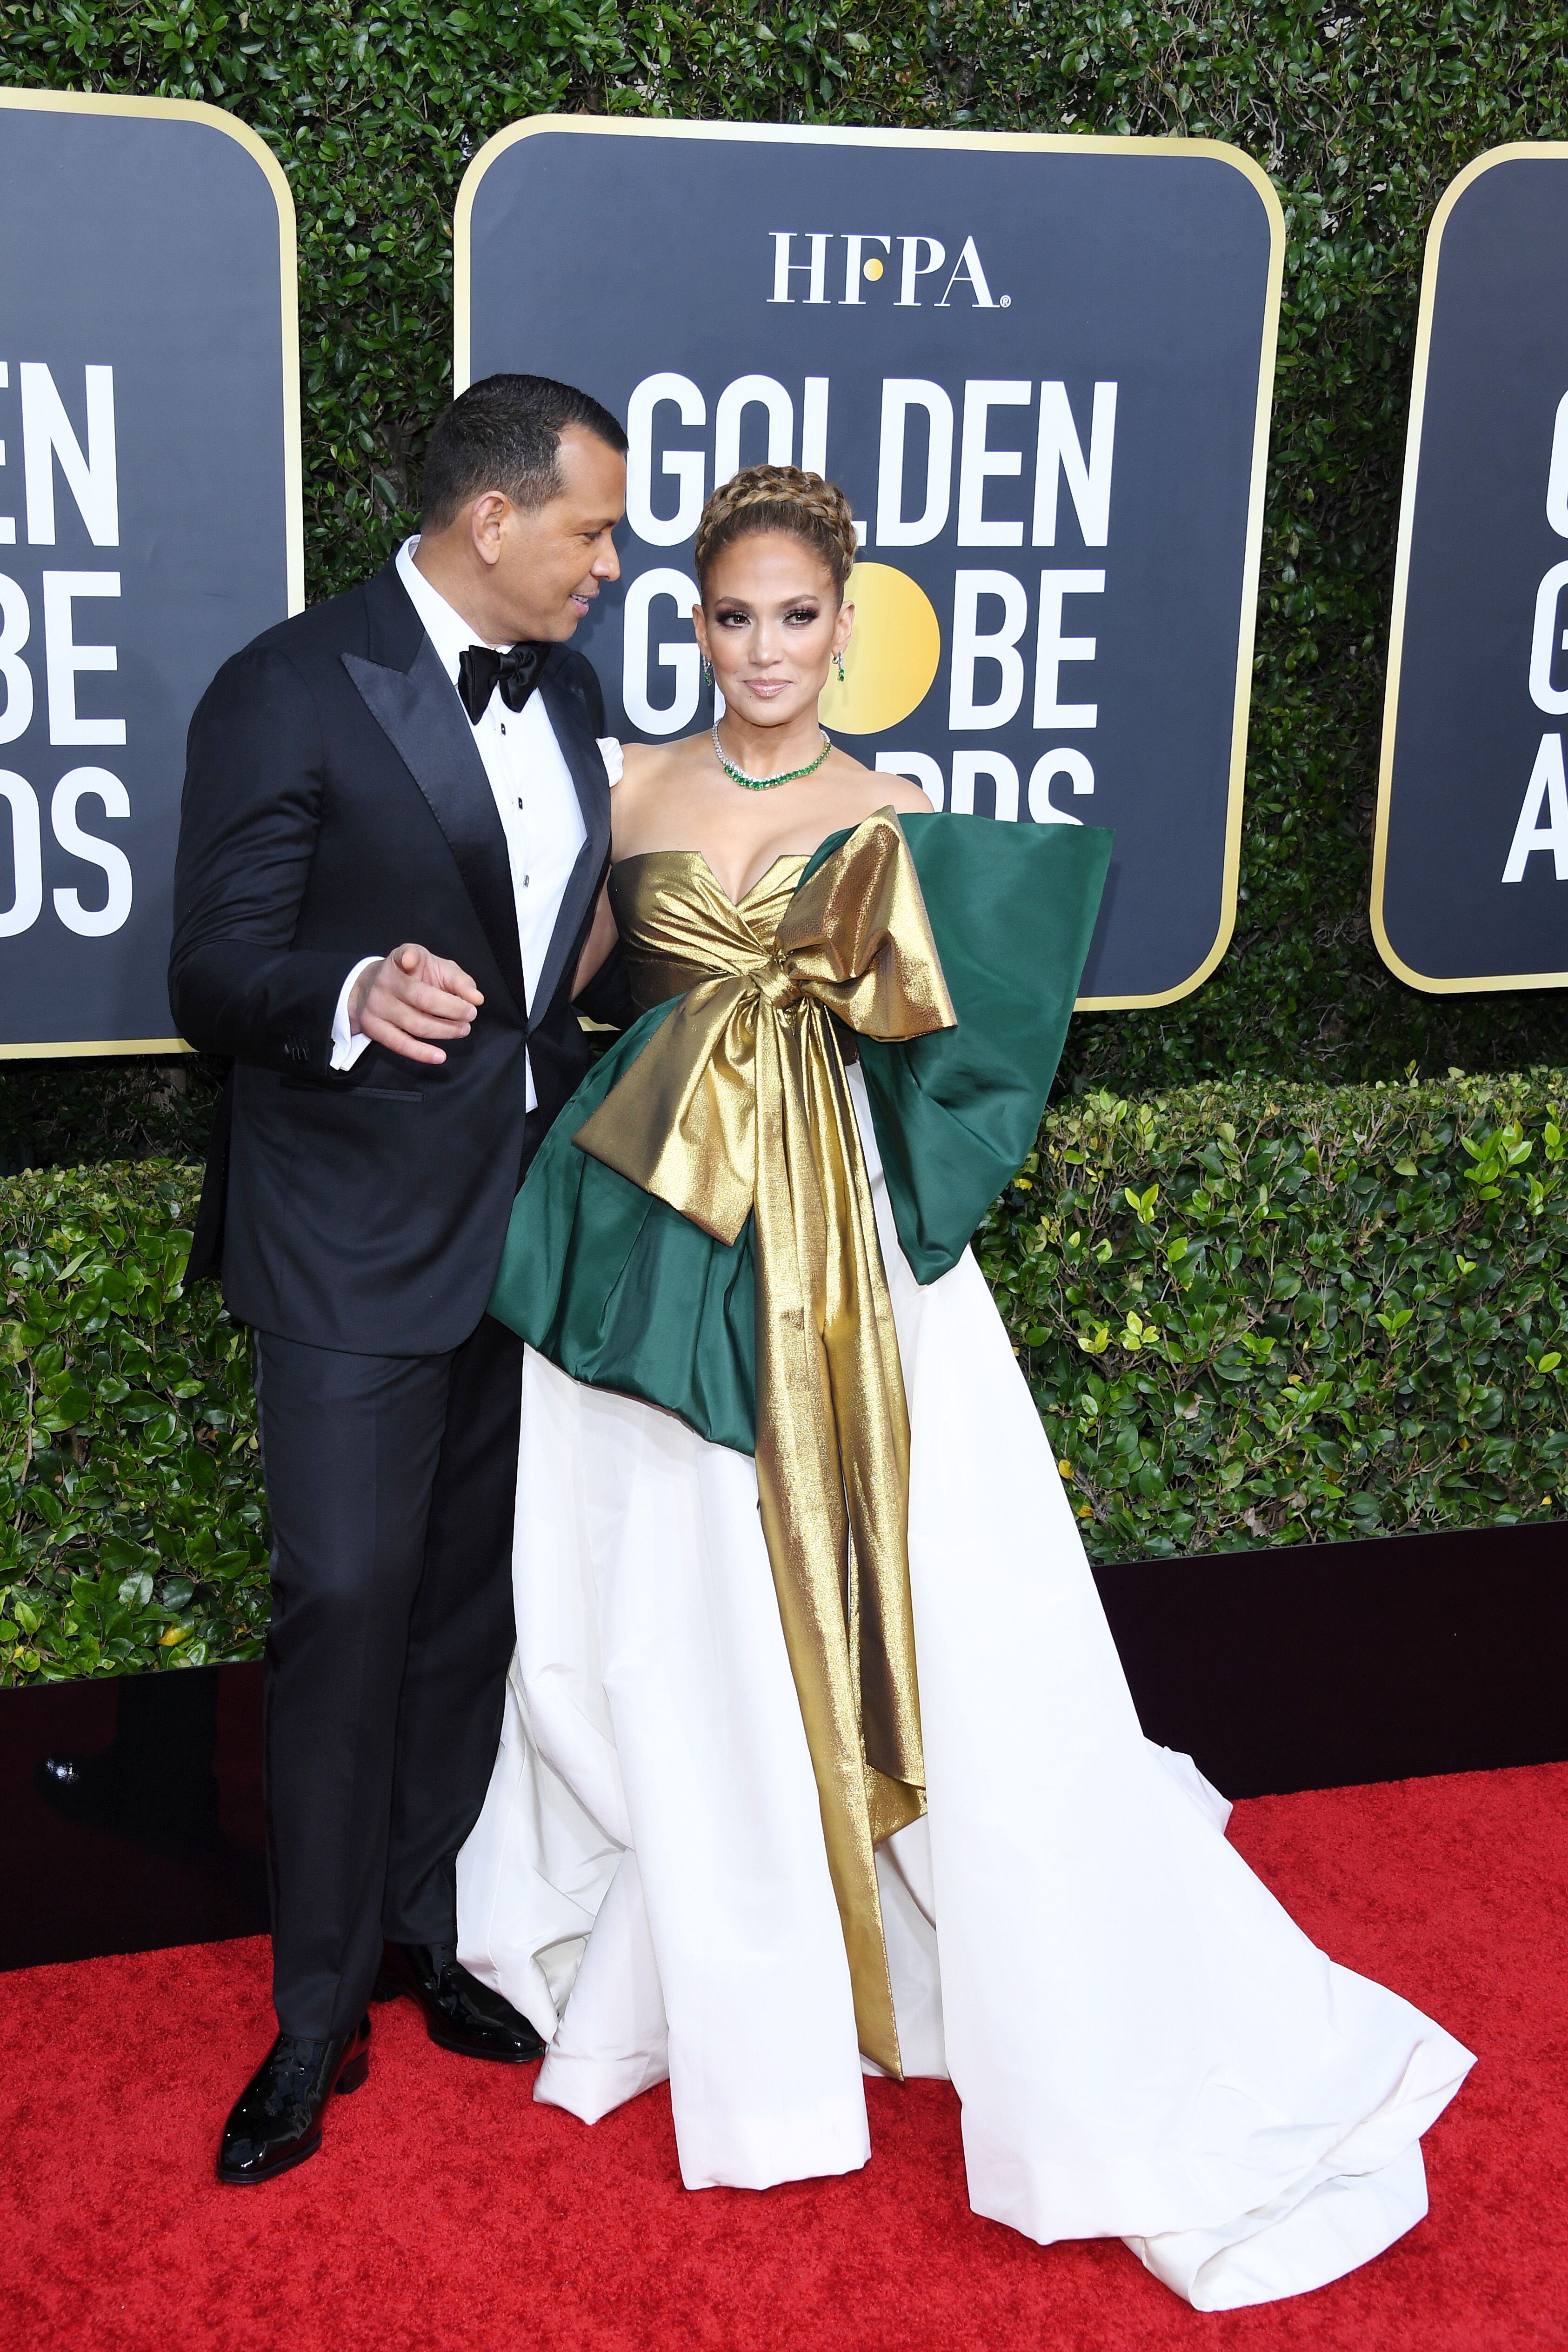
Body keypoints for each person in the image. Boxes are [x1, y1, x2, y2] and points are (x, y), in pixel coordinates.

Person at [455, 464, 1474, 2312]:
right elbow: (563, 997)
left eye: (796, 616)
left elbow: (972, 1049)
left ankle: (927, 1925)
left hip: (843, 1247)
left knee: (927, 1596)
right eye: (730, 615)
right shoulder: (627, 795)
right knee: (675, 1595)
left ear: (848, 626)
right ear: (695, 625)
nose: (764, 648)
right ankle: (732, 1937)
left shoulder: (901, 807)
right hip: (665, 1224)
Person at [169, 373, 631, 2185]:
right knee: (347, 1603)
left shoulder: (576, 690)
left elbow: (565, 940)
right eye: (591, 528)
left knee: (463, 1607)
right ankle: (311, 2010)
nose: (612, 563)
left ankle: (432, 1935)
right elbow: (212, 968)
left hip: (516, 1217)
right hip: (349, 1232)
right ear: (493, 519)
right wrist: (349, 994)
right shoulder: (290, 684)